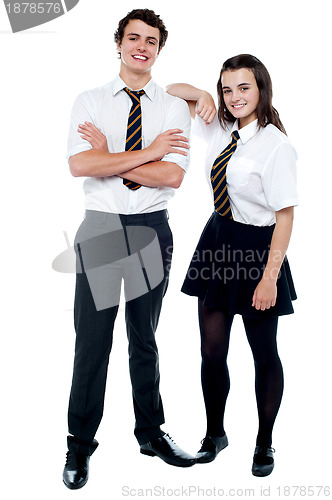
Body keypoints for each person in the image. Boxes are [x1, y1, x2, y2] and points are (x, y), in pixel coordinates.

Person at [63, 8, 195, 490]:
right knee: (92, 342)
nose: (142, 46)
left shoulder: (173, 108)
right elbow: (80, 165)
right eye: (133, 37)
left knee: (145, 338)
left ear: (160, 49)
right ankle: (79, 445)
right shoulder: (91, 100)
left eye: (152, 40)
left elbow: (172, 176)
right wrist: (148, 152)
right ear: (118, 43)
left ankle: (150, 433)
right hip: (101, 229)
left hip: (150, 229)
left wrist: (111, 158)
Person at [166, 54, 298, 477]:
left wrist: (270, 277)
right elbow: (170, 92)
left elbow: (285, 216)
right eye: (227, 89)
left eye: (244, 87)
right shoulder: (222, 127)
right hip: (218, 241)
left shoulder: (276, 145)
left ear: (261, 87)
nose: (235, 97)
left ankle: (264, 443)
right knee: (211, 350)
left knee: (264, 354)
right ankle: (215, 434)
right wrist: (204, 94)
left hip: (259, 250)